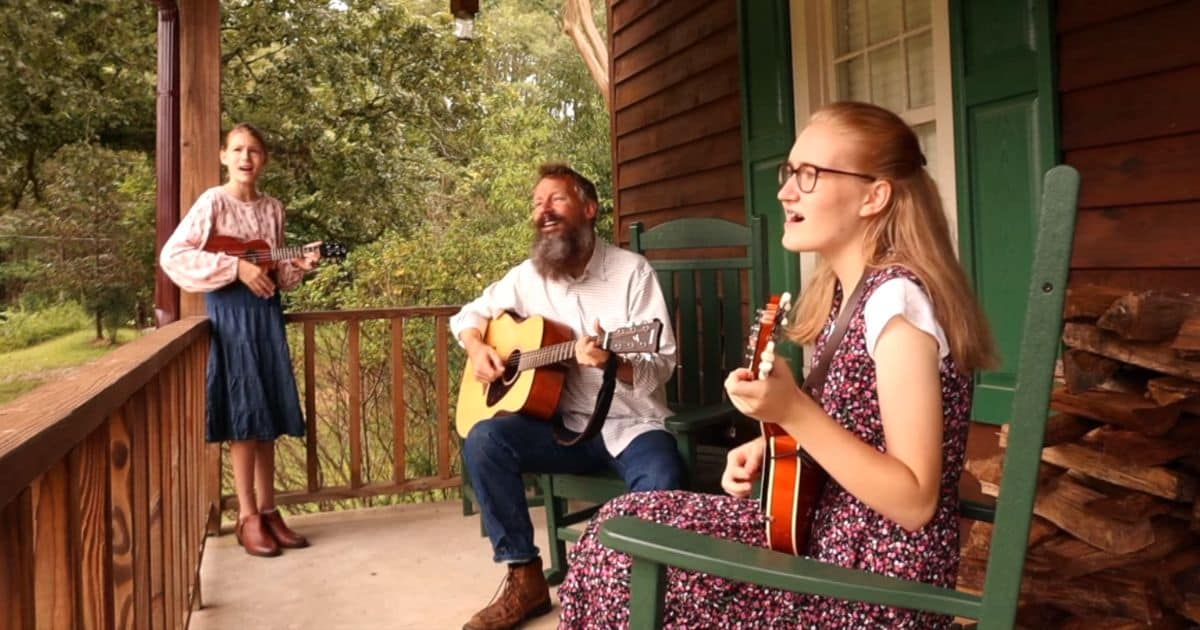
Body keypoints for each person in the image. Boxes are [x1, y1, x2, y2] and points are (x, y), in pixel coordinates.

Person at [557, 101, 997, 629]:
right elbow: (863, 431)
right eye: (791, 173)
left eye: (810, 175)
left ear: (874, 195)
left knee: (622, 561)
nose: (787, 190)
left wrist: (792, 413)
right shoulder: (848, 295)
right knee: (622, 520)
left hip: (871, 583)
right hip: (827, 537)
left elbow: (914, 500)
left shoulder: (897, 306)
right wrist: (770, 445)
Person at [454, 163, 685, 630]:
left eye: (556, 199)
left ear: (588, 208)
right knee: (483, 440)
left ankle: (622, 587)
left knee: (665, 478)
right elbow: (467, 316)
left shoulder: (631, 273)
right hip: (558, 426)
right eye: (537, 203)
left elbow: (661, 362)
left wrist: (613, 362)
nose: (544, 210)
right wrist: (479, 348)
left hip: (630, 423)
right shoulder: (526, 277)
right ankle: (524, 577)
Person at [160, 123, 321, 558]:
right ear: (223, 156)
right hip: (231, 319)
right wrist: (235, 269)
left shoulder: (273, 209)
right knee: (245, 416)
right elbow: (173, 255)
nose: (246, 157)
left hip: (267, 315)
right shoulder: (213, 202)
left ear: (263, 159)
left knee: (266, 416)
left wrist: (300, 264)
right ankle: (246, 516)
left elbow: (276, 273)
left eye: (254, 150)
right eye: (237, 150)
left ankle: (270, 511)